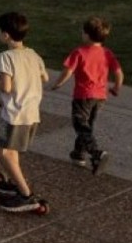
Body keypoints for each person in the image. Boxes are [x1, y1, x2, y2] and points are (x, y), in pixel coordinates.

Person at [0, 11, 48, 213]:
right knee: (11, 152)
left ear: (6, 35)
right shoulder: (33, 54)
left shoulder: (6, 57)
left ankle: (26, 195)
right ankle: (15, 183)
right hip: (31, 112)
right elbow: (44, 77)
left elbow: (6, 87)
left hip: (13, 113)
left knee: (2, 152)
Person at [50, 16, 124, 175]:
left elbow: (68, 71)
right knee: (87, 125)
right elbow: (118, 73)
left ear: (87, 35)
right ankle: (78, 154)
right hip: (100, 96)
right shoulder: (107, 53)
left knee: (80, 125)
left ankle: (96, 153)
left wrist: (57, 84)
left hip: (83, 96)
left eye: (83, 32)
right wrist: (116, 88)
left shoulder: (79, 52)